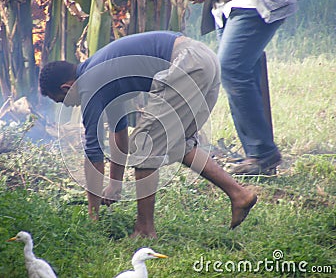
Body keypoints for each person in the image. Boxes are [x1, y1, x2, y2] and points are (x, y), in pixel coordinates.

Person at [39, 31, 257, 238]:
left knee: (144, 145)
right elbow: (119, 131)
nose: (67, 106)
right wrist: (115, 184)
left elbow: (93, 152)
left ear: (67, 88)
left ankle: (144, 229)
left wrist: (92, 215)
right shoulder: (99, 76)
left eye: (61, 101)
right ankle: (239, 195)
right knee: (177, 144)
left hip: (186, 62)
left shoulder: (88, 84)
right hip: (202, 59)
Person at [188, 0, 298, 175]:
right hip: (226, 7)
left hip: (253, 2)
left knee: (231, 69)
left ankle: (262, 153)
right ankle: (259, 155)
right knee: (244, 71)